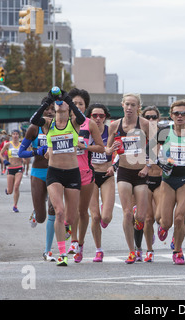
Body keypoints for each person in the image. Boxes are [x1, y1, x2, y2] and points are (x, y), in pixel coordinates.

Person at [30, 87, 87, 266]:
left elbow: (83, 118)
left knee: (70, 218)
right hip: (54, 173)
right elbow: (33, 120)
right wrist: (48, 101)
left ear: (68, 110)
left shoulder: (74, 123)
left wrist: (68, 100)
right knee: (59, 212)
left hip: (72, 173)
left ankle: (66, 229)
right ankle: (62, 253)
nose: (60, 110)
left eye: (64, 109)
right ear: (54, 110)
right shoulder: (48, 124)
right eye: (57, 108)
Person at [152, 99, 185, 265]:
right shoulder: (164, 132)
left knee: (180, 217)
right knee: (166, 221)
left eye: (183, 113)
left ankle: (178, 251)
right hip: (168, 180)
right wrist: (161, 164)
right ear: (171, 115)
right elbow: (149, 150)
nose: (180, 116)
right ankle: (163, 227)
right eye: (176, 113)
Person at [107, 93, 150, 264]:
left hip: (140, 172)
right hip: (124, 171)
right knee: (126, 213)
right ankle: (132, 251)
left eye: (133, 105)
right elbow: (107, 149)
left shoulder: (145, 124)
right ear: (122, 105)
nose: (130, 108)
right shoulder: (114, 125)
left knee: (140, 216)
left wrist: (147, 167)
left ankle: (137, 220)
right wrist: (112, 148)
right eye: (127, 104)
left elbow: (153, 148)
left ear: (138, 107)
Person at [66, 88, 105, 263]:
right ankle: (73, 241)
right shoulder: (62, 123)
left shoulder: (89, 124)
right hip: (67, 171)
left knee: (83, 211)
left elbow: (100, 147)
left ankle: (80, 244)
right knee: (71, 210)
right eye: (74, 103)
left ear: (85, 106)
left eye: (81, 104)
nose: (77, 106)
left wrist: (85, 147)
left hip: (86, 172)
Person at [18, 98, 56, 261]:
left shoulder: (61, 128)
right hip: (38, 173)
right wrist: (36, 152)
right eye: (46, 109)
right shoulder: (34, 128)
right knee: (41, 217)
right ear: (41, 110)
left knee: (54, 210)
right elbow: (21, 152)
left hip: (56, 172)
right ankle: (35, 213)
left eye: (53, 109)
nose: (49, 112)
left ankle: (48, 250)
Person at [87, 103, 117, 262]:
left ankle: (104, 211)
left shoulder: (110, 131)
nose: (98, 119)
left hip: (107, 174)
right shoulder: (86, 132)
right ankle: (99, 249)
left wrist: (114, 165)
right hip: (90, 176)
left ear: (106, 117)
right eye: (94, 116)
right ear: (89, 117)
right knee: (95, 217)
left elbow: (119, 151)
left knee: (106, 217)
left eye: (101, 116)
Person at [141, 106, 162, 262]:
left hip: (161, 179)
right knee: (148, 219)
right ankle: (149, 250)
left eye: (154, 117)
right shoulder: (138, 136)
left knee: (160, 217)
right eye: (147, 117)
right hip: (144, 181)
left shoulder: (165, 135)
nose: (151, 120)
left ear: (158, 119)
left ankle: (163, 226)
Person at [0, 129, 24, 212]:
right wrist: (4, 160)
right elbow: (0, 154)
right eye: (14, 134)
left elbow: (25, 153)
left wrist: (23, 158)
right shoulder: (8, 144)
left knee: (16, 186)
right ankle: (8, 190)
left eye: (17, 134)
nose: (15, 135)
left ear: (19, 136)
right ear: (11, 135)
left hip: (19, 168)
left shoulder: (22, 145)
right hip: (10, 168)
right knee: (10, 191)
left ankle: (15, 206)